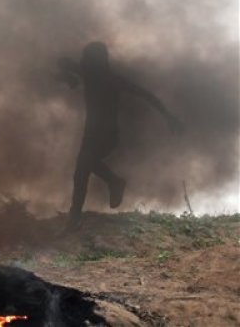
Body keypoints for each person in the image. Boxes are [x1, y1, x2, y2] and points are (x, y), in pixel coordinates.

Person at [56, 42, 182, 230]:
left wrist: (167, 115)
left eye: (87, 57)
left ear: (95, 61)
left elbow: (146, 95)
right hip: (91, 134)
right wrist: (68, 78)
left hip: (106, 135)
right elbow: (63, 63)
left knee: (83, 168)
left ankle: (80, 213)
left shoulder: (107, 79)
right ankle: (82, 210)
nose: (83, 61)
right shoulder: (91, 75)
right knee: (80, 173)